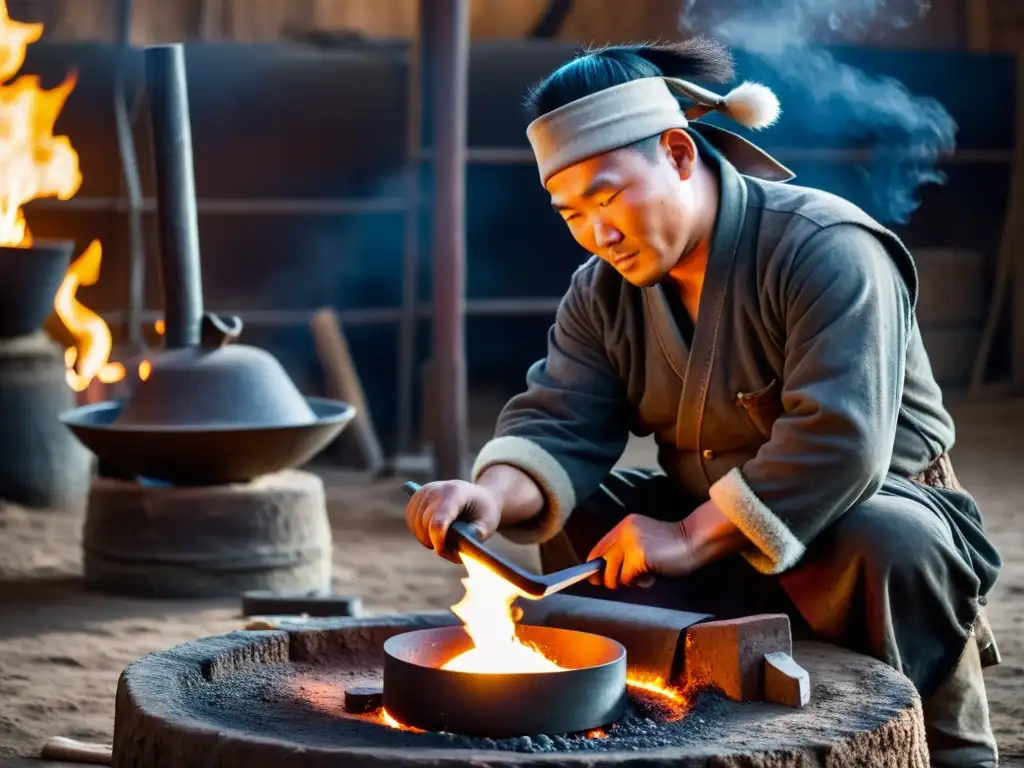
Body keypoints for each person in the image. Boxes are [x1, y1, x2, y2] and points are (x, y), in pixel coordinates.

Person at [404, 38, 1002, 767]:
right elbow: (559, 422)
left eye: (608, 194)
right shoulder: (601, 292)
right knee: (590, 522)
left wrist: (687, 538)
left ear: (680, 154)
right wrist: (489, 496)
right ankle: (678, 713)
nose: (600, 232)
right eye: (570, 212)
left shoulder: (826, 246)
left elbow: (842, 442)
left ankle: (934, 735)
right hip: (712, 522)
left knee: (885, 535)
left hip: (865, 523)